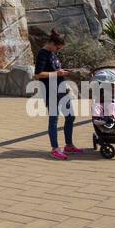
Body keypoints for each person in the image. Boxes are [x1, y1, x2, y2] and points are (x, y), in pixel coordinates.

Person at [33, 30, 81, 160]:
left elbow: (54, 70)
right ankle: (55, 149)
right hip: (50, 91)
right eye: (58, 48)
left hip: (61, 89)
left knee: (71, 116)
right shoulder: (43, 54)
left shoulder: (52, 53)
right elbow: (38, 74)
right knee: (54, 119)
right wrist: (57, 74)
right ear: (52, 43)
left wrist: (63, 72)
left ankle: (69, 145)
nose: (58, 50)